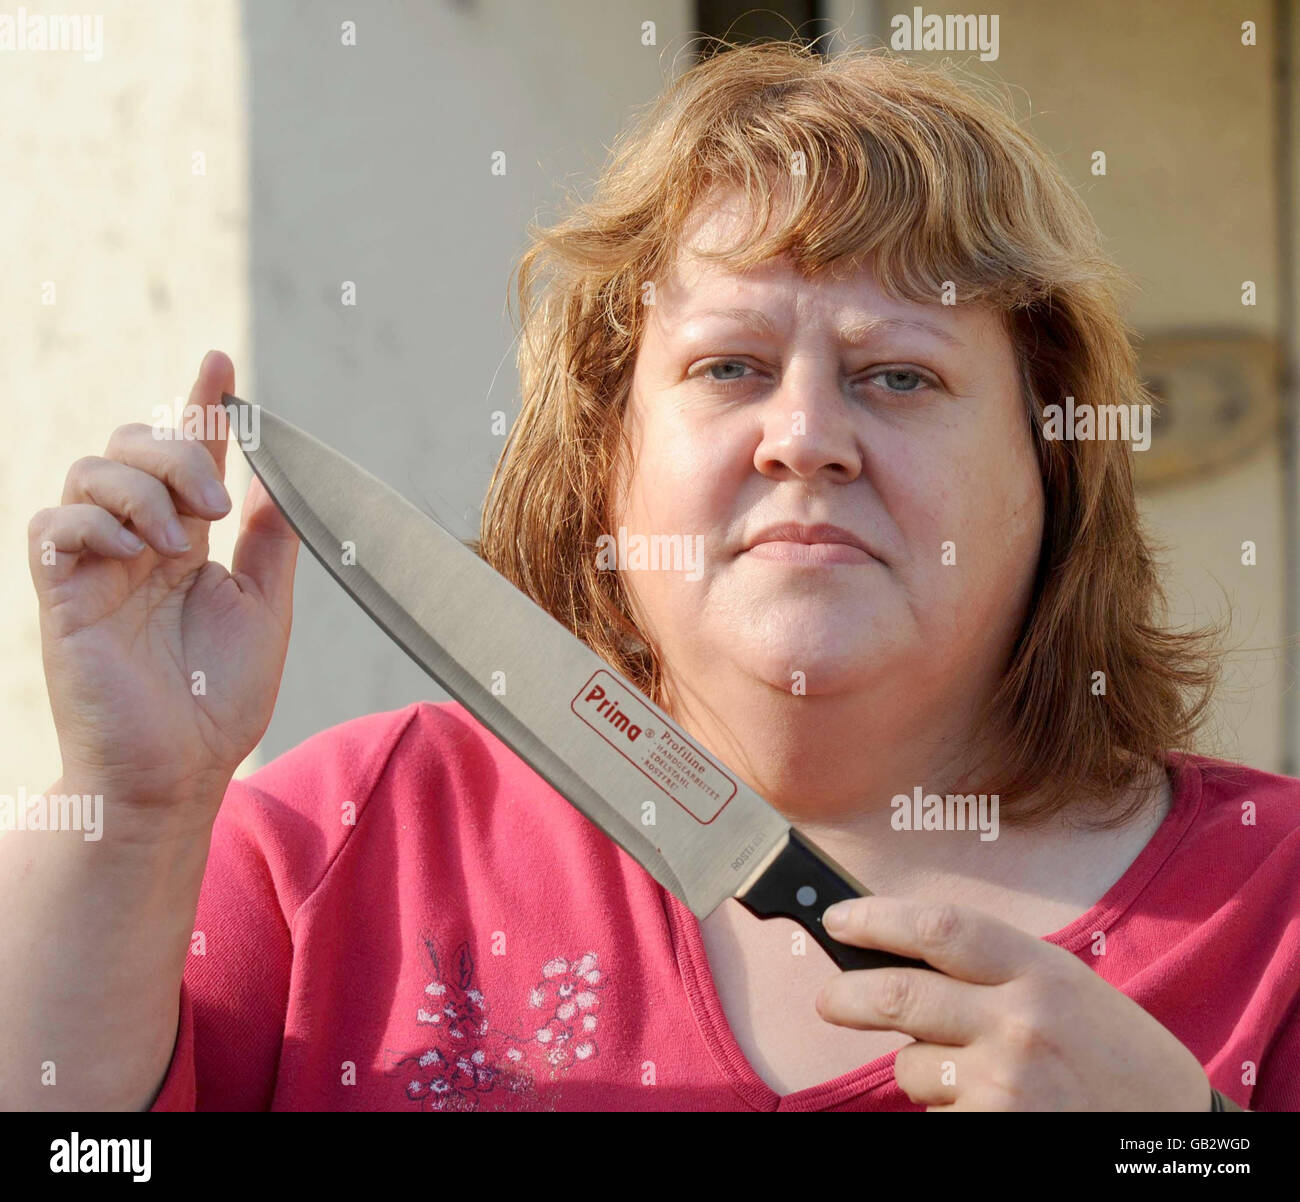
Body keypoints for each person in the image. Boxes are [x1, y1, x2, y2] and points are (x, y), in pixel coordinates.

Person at [9, 41, 1298, 1113]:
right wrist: (130, 814)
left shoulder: (1273, 906)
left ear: (1051, 469)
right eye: (728, 367)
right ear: (605, 465)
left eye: (898, 375)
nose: (804, 435)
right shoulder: (335, 849)